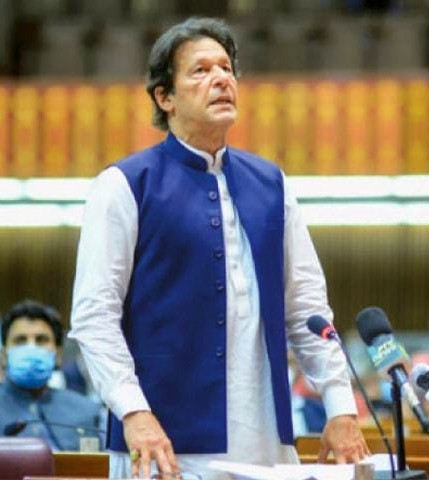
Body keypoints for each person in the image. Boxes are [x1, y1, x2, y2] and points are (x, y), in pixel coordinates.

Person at [69, 16, 368, 480]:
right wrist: (133, 413)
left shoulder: (273, 184)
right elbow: (94, 318)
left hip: (266, 439)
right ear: (163, 97)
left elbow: (307, 310)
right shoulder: (124, 186)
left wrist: (340, 407)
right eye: (201, 70)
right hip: (164, 442)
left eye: (226, 68)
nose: (222, 79)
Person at [0, 300, 103, 451]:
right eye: (20, 340)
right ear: (3, 355)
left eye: (41, 340)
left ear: (58, 355)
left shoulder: (88, 411)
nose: (31, 347)